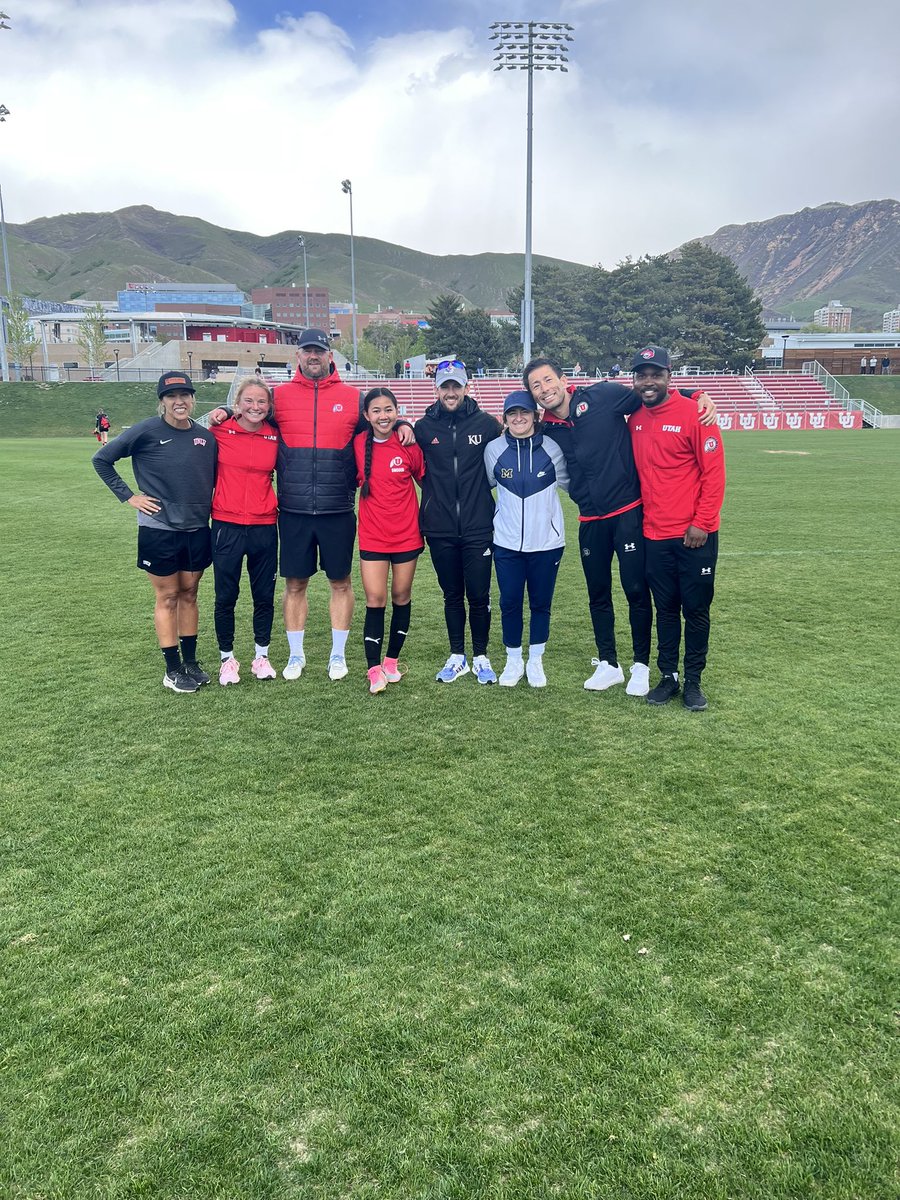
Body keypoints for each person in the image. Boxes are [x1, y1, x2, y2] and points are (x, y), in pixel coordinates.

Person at [208, 328, 414, 682]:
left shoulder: (352, 397)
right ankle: (296, 656)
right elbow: (251, 413)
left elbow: (381, 421)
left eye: (319, 350)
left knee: (341, 583)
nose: (313, 356)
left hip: (337, 508)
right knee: (295, 585)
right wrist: (225, 410)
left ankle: (337, 656)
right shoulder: (280, 397)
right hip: (294, 510)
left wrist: (406, 422)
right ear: (298, 356)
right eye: (307, 351)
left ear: (330, 355)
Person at [524, 357, 716, 696]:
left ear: (563, 379)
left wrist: (695, 392)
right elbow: (514, 428)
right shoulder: (546, 428)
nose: (544, 389)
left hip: (628, 513)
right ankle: (609, 664)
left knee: (637, 591)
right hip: (589, 520)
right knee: (598, 594)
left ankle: (640, 666)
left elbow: (651, 392)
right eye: (535, 386)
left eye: (547, 380)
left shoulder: (603, 396)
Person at [92, 371, 217, 693]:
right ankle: (172, 669)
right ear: (162, 401)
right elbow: (102, 459)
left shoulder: (205, 437)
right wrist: (129, 496)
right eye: (172, 396)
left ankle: (190, 662)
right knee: (168, 595)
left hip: (197, 527)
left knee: (190, 593)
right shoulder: (146, 431)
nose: (180, 401)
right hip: (159, 528)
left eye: (185, 395)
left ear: (192, 399)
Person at [628, 346, 726, 712]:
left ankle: (694, 681)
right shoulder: (634, 417)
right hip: (654, 535)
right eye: (642, 375)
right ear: (635, 380)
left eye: (656, 374)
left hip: (694, 535)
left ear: (670, 376)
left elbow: (714, 473)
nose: (649, 381)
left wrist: (702, 522)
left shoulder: (696, 413)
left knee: (696, 610)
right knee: (665, 609)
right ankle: (668, 675)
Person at [414, 359, 502, 684]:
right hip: (440, 528)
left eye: (456, 385)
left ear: (467, 387)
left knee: (478, 594)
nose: (451, 392)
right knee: (451, 594)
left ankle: (480, 656)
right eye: (445, 386)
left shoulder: (487, 424)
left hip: (479, 526)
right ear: (437, 389)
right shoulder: (423, 428)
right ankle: (457, 656)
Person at [484, 391, 569, 687]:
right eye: (512, 414)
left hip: (547, 543)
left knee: (540, 603)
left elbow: (571, 484)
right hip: (506, 543)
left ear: (535, 415)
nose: (518, 418)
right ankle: (512, 659)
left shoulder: (552, 448)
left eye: (524, 412)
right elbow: (488, 484)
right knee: (509, 602)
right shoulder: (493, 450)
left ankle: (535, 661)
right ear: (505, 419)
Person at [353, 388, 426, 694]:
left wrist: (405, 425)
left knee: (401, 595)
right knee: (375, 600)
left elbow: (428, 481)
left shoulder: (409, 443)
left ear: (397, 411)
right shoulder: (357, 443)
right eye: (376, 411)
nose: (383, 416)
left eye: (388, 410)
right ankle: (373, 670)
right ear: (367, 416)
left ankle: (392, 662)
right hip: (372, 535)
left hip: (407, 535)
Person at [209, 378, 279, 685]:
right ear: (237, 403)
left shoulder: (276, 436)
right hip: (226, 524)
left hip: (265, 524)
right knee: (226, 595)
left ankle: (261, 657)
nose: (255, 407)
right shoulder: (218, 431)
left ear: (269, 406)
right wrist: (221, 411)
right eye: (248, 401)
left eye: (261, 401)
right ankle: (227, 659)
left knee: (264, 595)